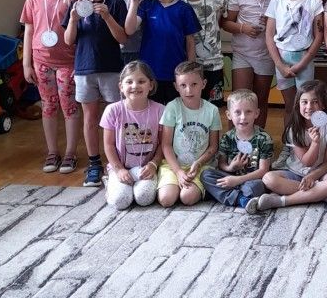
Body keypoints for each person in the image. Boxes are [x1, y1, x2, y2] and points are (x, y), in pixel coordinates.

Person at [62, 0, 129, 188]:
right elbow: (68, 40)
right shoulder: (75, 5)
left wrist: (108, 17)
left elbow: (123, 37)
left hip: (112, 69)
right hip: (84, 70)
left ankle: (117, 162)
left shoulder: (116, 4)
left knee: (116, 117)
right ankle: (94, 163)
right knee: (90, 118)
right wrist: (73, 19)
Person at [21, 0, 81, 175]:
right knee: (48, 105)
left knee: (69, 106)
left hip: (68, 63)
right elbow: (28, 31)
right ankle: (53, 151)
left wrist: (79, 65)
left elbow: (82, 35)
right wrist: (26, 64)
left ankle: (70, 153)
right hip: (41, 62)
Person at [252, 80, 327, 211]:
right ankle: (323, 195)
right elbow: (307, 162)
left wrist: (312, 176)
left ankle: (283, 201)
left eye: (315, 102)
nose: (309, 107)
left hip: (320, 173)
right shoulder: (294, 129)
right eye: (304, 102)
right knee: (268, 178)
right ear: (298, 104)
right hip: (295, 172)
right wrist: (315, 143)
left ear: (323, 104)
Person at [124, 0, 200, 105]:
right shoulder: (146, 6)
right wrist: (134, 1)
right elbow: (129, 29)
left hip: (176, 74)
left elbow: (190, 41)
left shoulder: (184, 9)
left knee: (175, 113)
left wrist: (190, 71)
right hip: (149, 74)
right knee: (152, 112)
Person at [264, 0, 325, 122]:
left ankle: (307, 138)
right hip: (282, 59)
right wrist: (280, 64)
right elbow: (269, 35)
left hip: (304, 59)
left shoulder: (315, 4)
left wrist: (302, 63)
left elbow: (318, 37)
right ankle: (289, 139)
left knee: (306, 107)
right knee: (290, 106)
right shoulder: (276, 2)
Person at [223, 0, 277, 128]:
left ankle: (258, 138)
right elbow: (225, 23)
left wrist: (271, 23)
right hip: (242, 54)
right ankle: (233, 139)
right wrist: (243, 28)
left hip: (265, 56)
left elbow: (283, 29)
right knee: (238, 99)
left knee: (260, 100)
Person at [100, 60, 163, 210]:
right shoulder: (112, 110)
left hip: (146, 167)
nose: (135, 86)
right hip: (120, 166)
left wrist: (153, 164)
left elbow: (163, 144)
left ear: (151, 85)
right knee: (120, 201)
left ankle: (135, 188)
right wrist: (119, 169)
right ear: (121, 86)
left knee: (144, 198)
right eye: (129, 82)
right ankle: (110, 182)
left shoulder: (160, 110)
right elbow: (108, 145)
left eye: (141, 81)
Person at [158, 61, 221, 207]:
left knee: (187, 198)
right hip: (173, 165)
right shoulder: (172, 107)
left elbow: (213, 146)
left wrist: (198, 163)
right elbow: (166, 145)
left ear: (203, 84)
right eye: (183, 85)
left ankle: (199, 188)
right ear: (176, 86)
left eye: (194, 84)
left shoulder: (212, 110)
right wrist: (178, 171)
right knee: (166, 199)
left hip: (201, 166)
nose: (189, 90)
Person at [201, 89, 274, 209]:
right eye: (237, 112)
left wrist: (237, 180)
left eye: (248, 112)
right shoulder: (227, 137)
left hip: (253, 180)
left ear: (256, 113)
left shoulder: (264, 138)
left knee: (255, 187)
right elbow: (221, 164)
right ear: (229, 115)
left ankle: (226, 195)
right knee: (206, 174)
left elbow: (263, 170)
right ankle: (241, 199)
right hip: (230, 177)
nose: (243, 117)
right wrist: (231, 168)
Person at [179, 0, 228, 105]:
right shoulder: (177, 2)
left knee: (213, 108)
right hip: (186, 67)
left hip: (214, 65)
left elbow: (222, 20)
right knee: (190, 106)